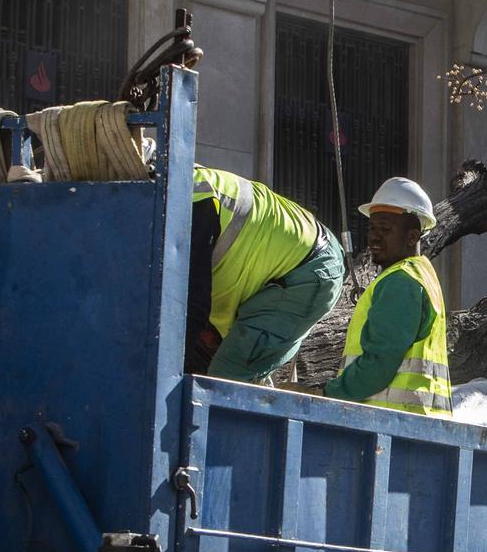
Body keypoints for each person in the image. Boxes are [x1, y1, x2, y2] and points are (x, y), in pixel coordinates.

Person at [188, 165, 345, 383]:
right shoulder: (178, 192)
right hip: (271, 270)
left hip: (306, 269)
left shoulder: (191, 200)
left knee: (225, 380)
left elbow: (190, 304)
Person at [324, 177, 451, 416]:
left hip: (390, 424)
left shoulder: (402, 282)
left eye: (385, 230)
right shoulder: (420, 274)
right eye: (372, 228)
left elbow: (378, 363)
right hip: (414, 425)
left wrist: (329, 395)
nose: (374, 237)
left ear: (412, 237)